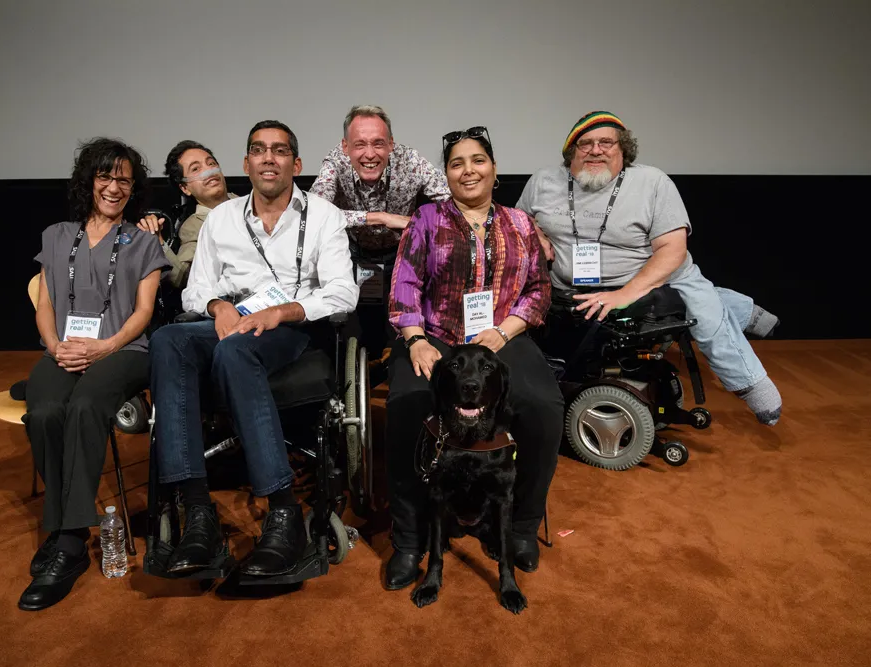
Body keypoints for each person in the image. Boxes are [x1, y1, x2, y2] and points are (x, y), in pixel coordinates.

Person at [149, 121, 358, 577]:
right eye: (259, 151)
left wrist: (283, 312)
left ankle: (283, 512)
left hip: (293, 326)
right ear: (246, 164)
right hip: (235, 318)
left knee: (235, 351)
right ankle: (198, 514)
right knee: (168, 340)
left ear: (295, 164)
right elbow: (193, 291)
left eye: (279, 151)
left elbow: (344, 293)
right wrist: (217, 305)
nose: (269, 158)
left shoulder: (324, 215)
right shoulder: (221, 220)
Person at [384, 126, 564, 591]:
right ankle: (408, 539)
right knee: (406, 401)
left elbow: (539, 291)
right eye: (457, 162)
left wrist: (504, 331)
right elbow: (404, 284)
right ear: (446, 173)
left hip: (500, 336)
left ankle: (521, 528)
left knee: (543, 406)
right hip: (438, 336)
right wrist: (415, 338)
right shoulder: (426, 220)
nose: (469, 170)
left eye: (477, 159)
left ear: (494, 168)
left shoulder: (521, 225)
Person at [517, 111, 782, 425]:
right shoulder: (543, 181)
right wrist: (537, 233)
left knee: (708, 321)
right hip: (571, 287)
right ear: (570, 151)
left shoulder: (652, 182)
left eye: (606, 142)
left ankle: (751, 384)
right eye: (584, 143)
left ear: (623, 149)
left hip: (655, 279)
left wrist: (624, 294)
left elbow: (672, 250)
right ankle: (740, 308)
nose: (595, 150)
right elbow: (520, 219)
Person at [21, 138, 168, 610]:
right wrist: (55, 347)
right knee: (44, 412)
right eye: (106, 176)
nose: (114, 186)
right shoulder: (57, 235)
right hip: (64, 351)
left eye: (124, 179)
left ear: (133, 188)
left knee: (85, 407)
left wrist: (103, 346)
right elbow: (45, 303)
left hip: (123, 350)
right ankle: (69, 525)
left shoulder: (144, 243)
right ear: (90, 181)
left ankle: (66, 541)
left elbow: (143, 312)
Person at [310, 105, 451, 360]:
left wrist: (413, 222)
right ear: (345, 147)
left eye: (378, 143)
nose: (369, 154)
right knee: (359, 329)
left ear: (391, 145)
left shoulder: (411, 161)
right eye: (359, 144)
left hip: (403, 254)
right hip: (354, 253)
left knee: (401, 329)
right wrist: (380, 218)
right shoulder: (334, 162)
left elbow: (454, 207)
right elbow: (315, 212)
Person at [137, 140, 238, 290]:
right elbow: (181, 278)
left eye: (211, 163)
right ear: (185, 188)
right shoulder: (194, 226)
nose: (208, 171)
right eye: (196, 169)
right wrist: (159, 242)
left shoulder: (250, 202)